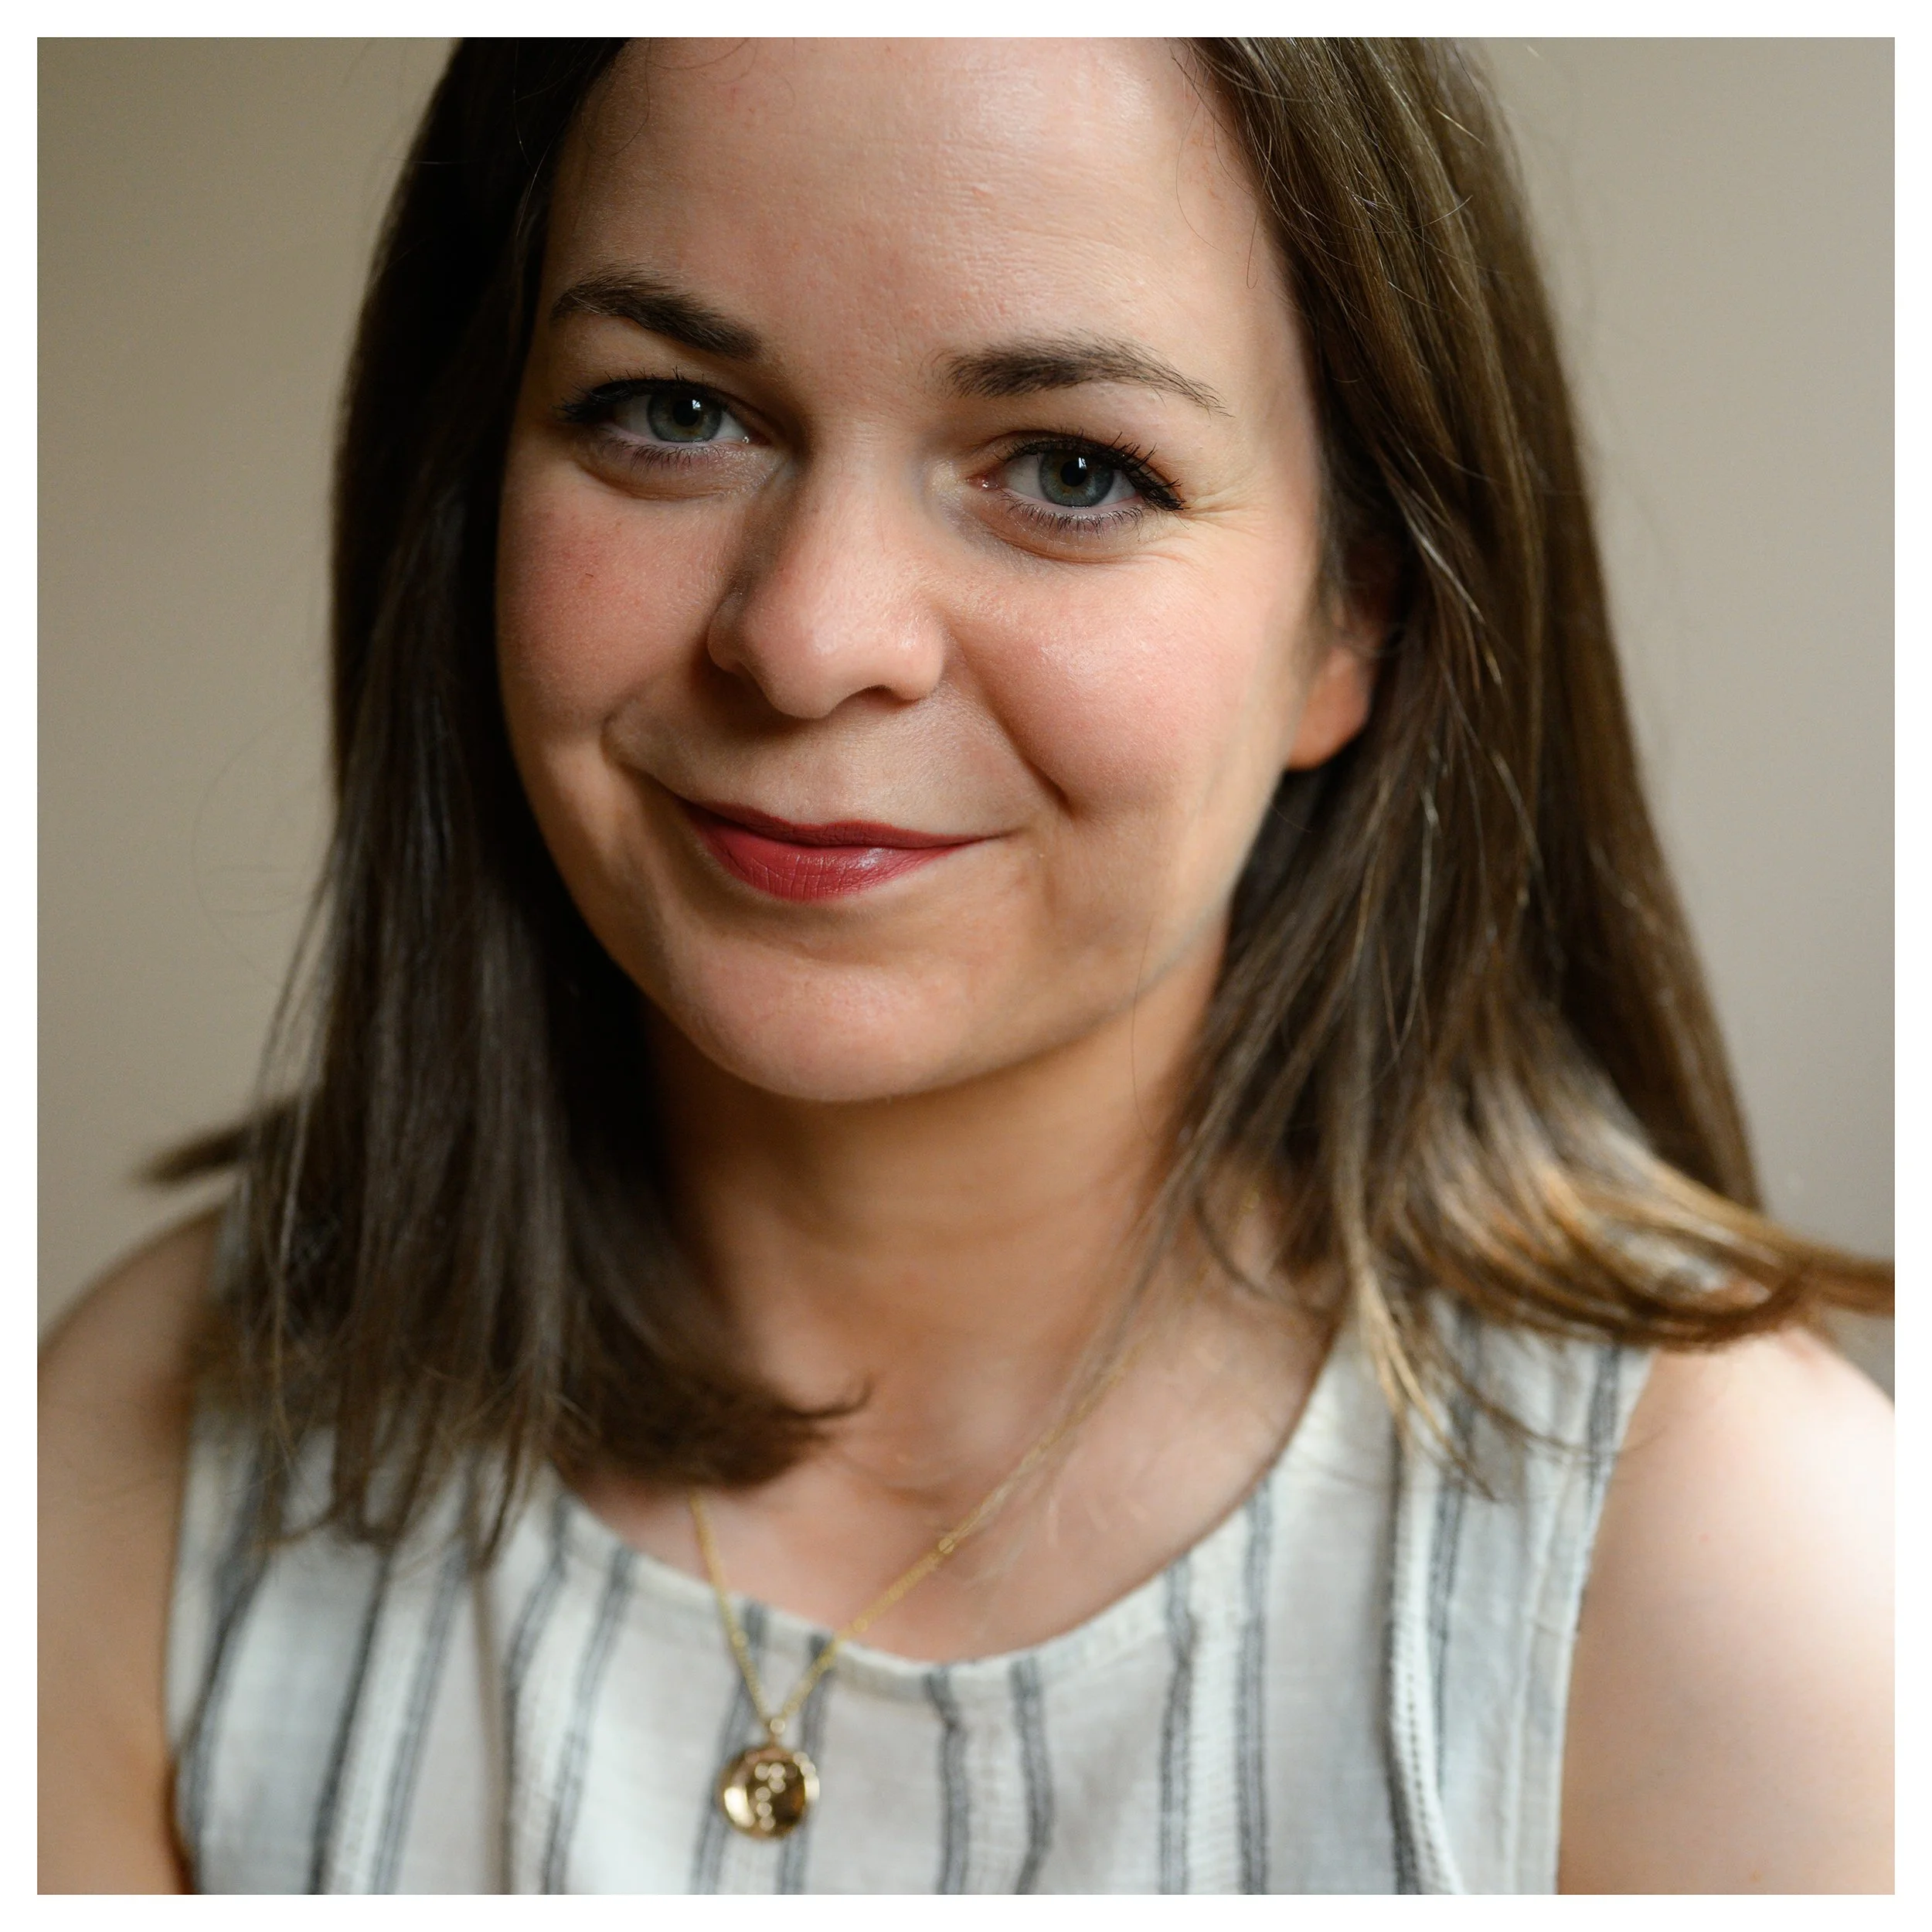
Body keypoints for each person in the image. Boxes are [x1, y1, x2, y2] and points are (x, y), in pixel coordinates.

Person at [39, 38, 1893, 1894]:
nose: (809, 635)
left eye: (1072, 468)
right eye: (671, 411)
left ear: (1354, 614)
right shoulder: (134, 1458)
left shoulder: (1733, 1567)